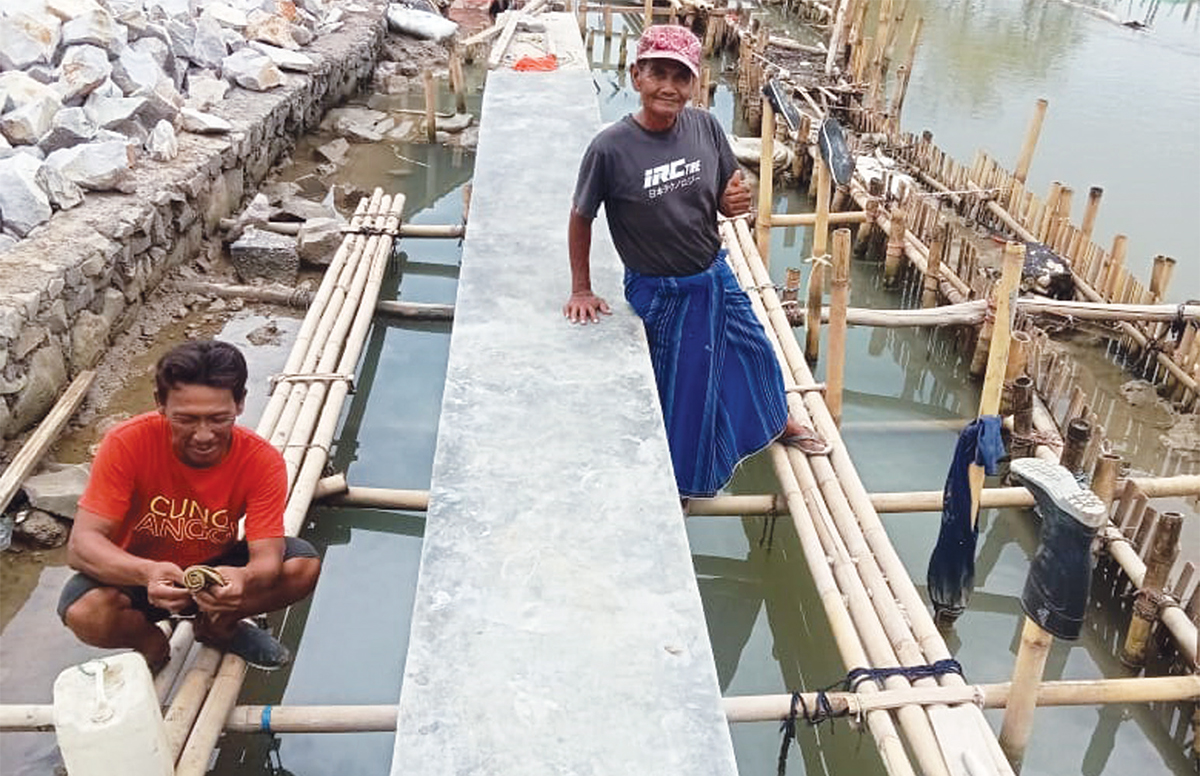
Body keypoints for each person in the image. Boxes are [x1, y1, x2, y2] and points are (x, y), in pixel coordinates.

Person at [563, 24, 829, 501]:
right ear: (636, 76)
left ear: (695, 83)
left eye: (681, 77)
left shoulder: (704, 125)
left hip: (713, 271)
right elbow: (582, 216)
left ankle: (775, 420)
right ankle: (684, 481)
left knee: (756, 351)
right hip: (660, 288)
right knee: (686, 384)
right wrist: (581, 288)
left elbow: (731, 193)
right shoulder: (611, 148)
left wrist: (736, 199)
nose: (669, 86)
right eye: (658, 73)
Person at [58, 340, 321, 671]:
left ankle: (220, 627)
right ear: (161, 405)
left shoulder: (262, 461)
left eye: (218, 418)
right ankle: (151, 644)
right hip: (141, 572)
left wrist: (243, 579)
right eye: (185, 419)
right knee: (84, 611)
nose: (203, 435)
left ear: (240, 404)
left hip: (214, 570)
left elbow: (267, 561)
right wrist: (147, 572)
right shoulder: (126, 443)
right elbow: (82, 546)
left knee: (302, 566)